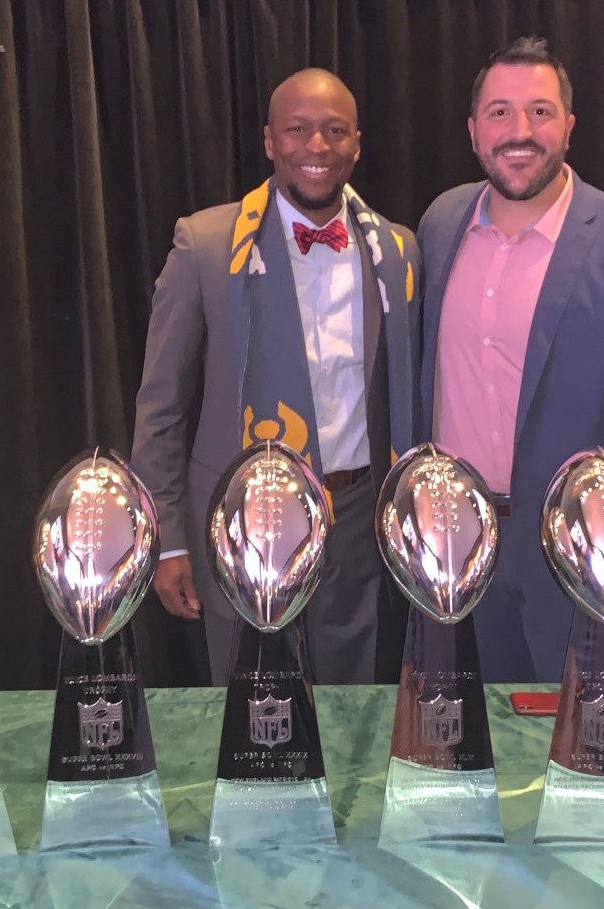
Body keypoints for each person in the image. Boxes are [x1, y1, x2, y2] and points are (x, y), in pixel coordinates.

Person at [418, 36, 604, 681]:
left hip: (578, 557)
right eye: (499, 113)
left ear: (570, 125)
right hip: (447, 546)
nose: (520, 131)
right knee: (455, 755)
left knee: (575, 764)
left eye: (540, 112)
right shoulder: (440, 224)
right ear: (471, 130)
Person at [131, 68, 420, 685]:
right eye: (298, 129)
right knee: (253, 707)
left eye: (334, 131)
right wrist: (169, 539)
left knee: (352, 706)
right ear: (269, 141)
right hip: (240, 520)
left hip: (359, 518)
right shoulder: (206, 244)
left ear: (358, 143)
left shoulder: (398, 250)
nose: (317, 147)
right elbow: (163, 404)